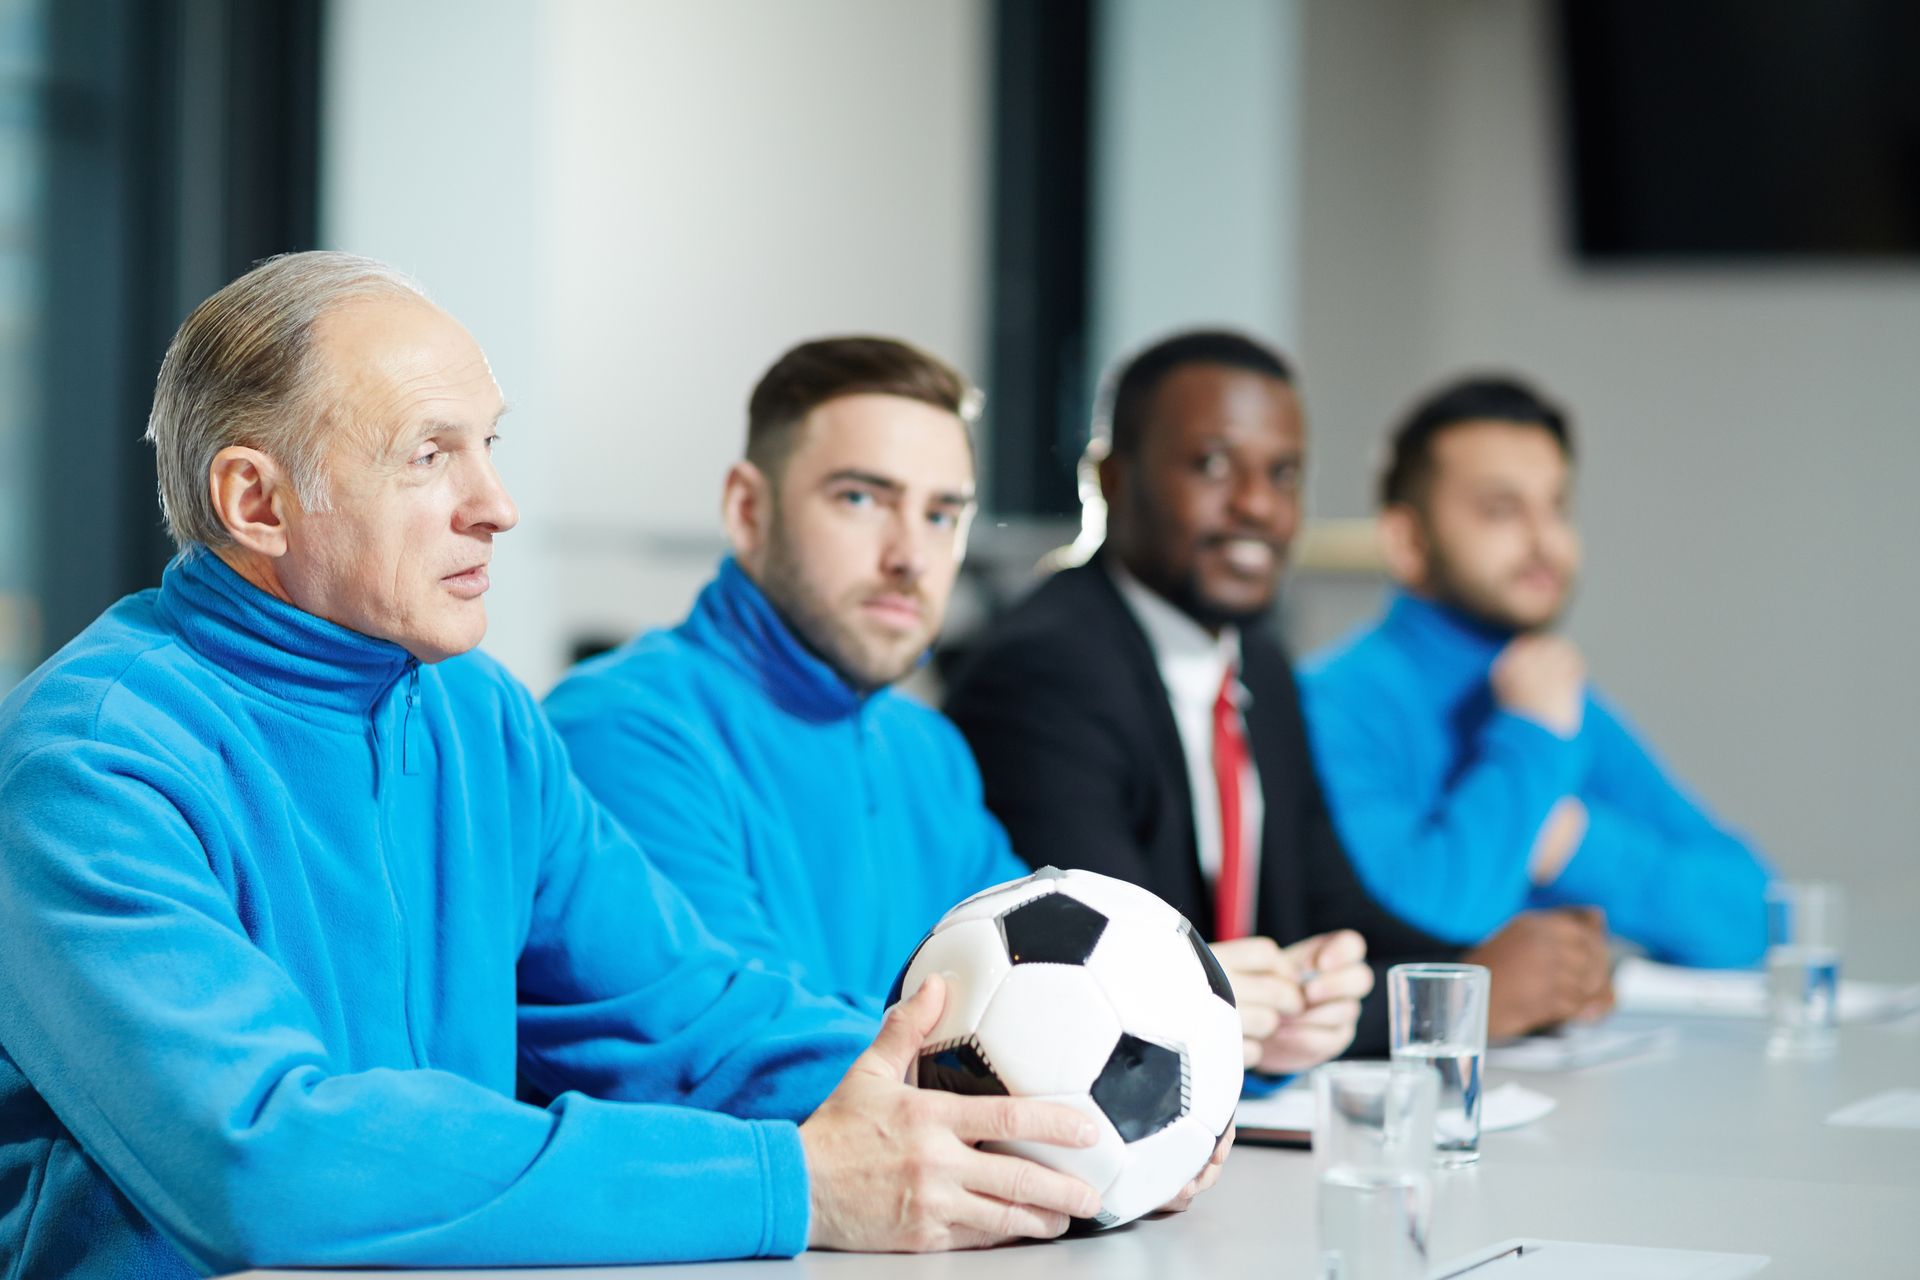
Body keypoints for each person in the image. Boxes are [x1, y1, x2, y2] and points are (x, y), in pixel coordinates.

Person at [0, 255, 1112, 1276]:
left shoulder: (479, 716)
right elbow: (262, 1153)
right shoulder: (88, 765)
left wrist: (1044, 1116)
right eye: (430, 454)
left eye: (491, 444)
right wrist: (794, 1182)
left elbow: (687, 1018)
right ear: (257, 501)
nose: (497, 505)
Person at [545, 335, 1366, 1078]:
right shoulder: (625, 731)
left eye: (942, 514)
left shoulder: (925, 751)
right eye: (861, 499)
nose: (910, 557)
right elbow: (736, 1044)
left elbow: (1048, 989)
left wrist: (1224, 1028)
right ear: (748, 511)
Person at [944, 331, 1614, 1056]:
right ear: (1111, 481)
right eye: (1212, 465)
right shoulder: (1046, 672)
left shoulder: (1257, 663)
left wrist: (1489, 973)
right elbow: (1124, 986)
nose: (1258, 505)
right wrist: (1461, 1000)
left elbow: (1333, 915)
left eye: (1284, 473)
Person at [1300, 374, 1771, 967]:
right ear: (1407, 541)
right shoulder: (1331, 706)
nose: (1546, 540)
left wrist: (1571, 839)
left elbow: (1755, 919)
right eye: (1502, 510)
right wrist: (1529, 740)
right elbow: (1413, 931)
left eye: (1557, 506)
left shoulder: (1551, 693)